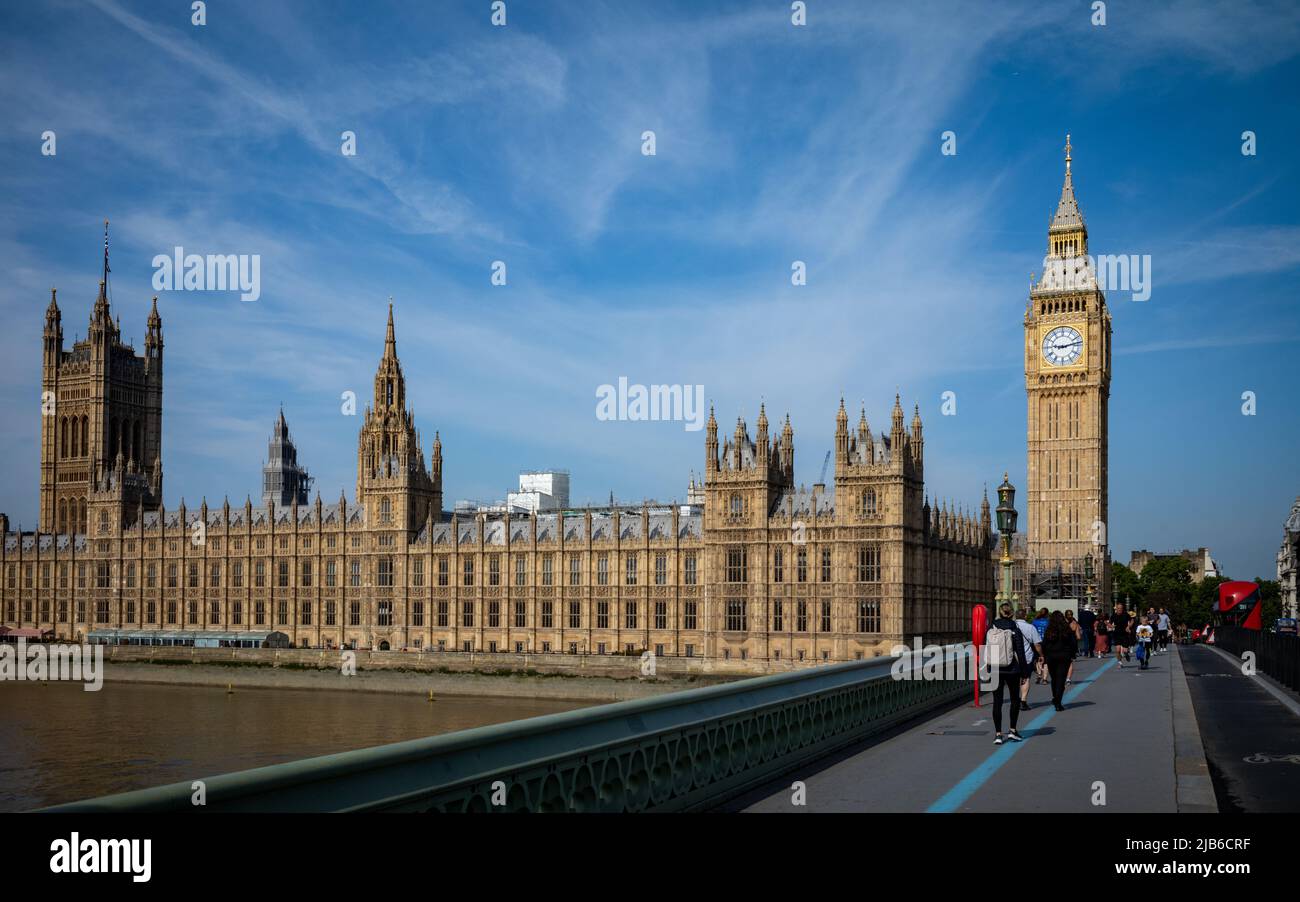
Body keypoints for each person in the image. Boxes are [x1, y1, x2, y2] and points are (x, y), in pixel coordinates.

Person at [985, 602, 1029, 744]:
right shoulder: (1014, 628)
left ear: (999, 611)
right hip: (1012, 669)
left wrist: (987, 668)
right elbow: (1020, 652)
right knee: (1014, 699)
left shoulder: (991, 627)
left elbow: (985, 647)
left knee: (997, 702)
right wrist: (1024, 672)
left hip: (995, 668)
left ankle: (998, 734)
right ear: (1012, 613)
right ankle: (1012, 730)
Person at [1041, 611, 1076, 710]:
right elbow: (1073, 643)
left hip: (1051, 656)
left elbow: (1044, 644)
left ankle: (1055, 697)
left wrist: (1045, 655)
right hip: (1064, 656)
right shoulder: (1067, 629)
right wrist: (1072, 655)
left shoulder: (1049, 630)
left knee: (1054, 679)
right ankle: (1058, 702)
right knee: (1061, 679)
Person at [1013, 608, 1043, 710]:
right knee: (1025, 678)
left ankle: (1015, 700)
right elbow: (1037, 644)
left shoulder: (1011, 626)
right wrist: (1041, 655)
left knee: (1014, 680)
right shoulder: (1030, 627)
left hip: (1012, 658)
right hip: (1027, 657)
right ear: (1025, 616)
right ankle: (1023, 701)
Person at [1065, 610, 1082, 684]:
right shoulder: (1075, 624)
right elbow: (1078, 637)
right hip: (1072, 644)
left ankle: (1062, 676)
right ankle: (1068, 678)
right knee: (1070, 662)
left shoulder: (1062, 624)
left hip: (1063, 644)